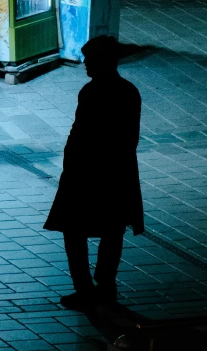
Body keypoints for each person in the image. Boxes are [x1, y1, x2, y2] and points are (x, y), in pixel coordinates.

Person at [44, 35, 144, 311]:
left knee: (74, 231)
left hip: (86, 173)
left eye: (90, 59)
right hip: (117, 173)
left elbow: (81, 133)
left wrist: (71, 164)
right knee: (112, 230)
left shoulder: (91, 92)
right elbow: (129, 138)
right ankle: (106, 284)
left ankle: (84, 287)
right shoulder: (128, 91)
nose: (86, 64)